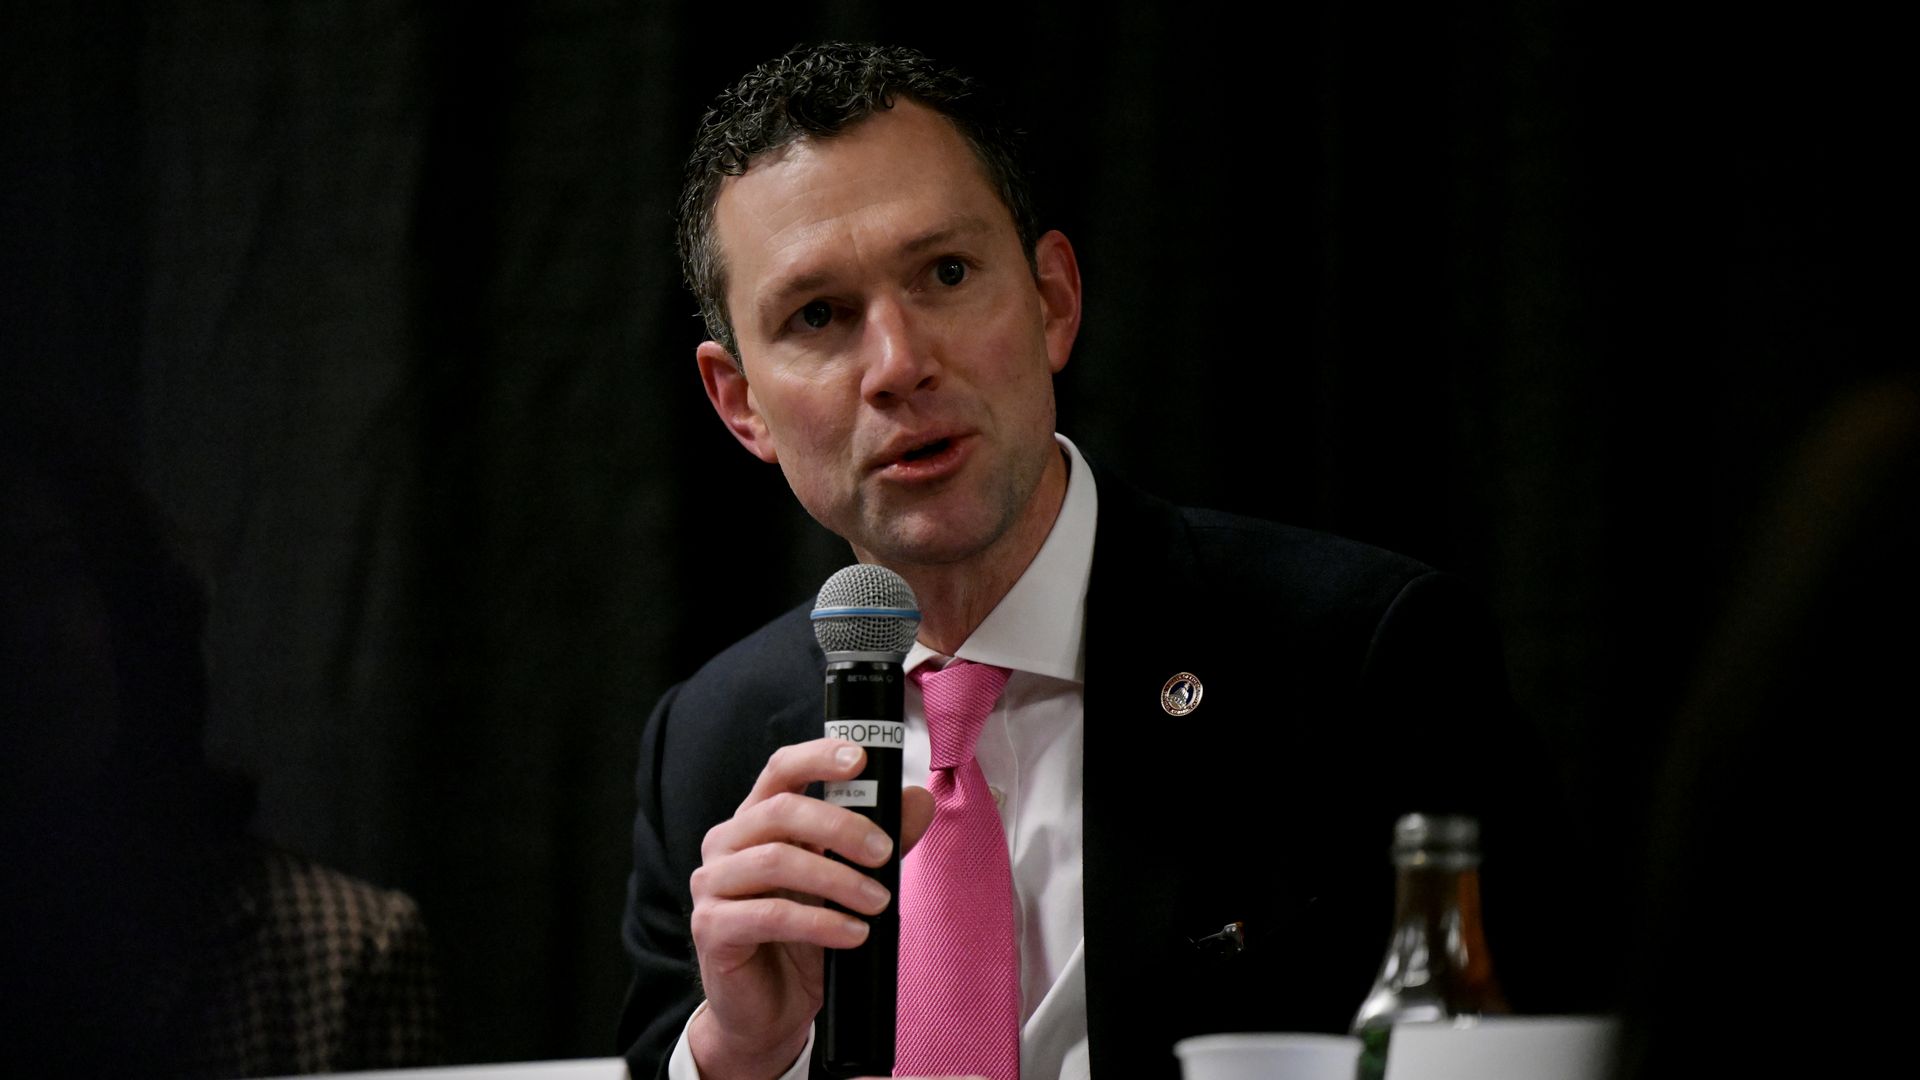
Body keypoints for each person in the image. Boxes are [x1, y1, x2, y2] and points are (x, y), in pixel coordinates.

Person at [620, 42, 1543, 1080]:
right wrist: (738, 1056)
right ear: (741, 403)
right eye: (819, 316)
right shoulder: (708, 744)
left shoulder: (1361, 660)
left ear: (1053, 300)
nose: (900, 364)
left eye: (947, 274)